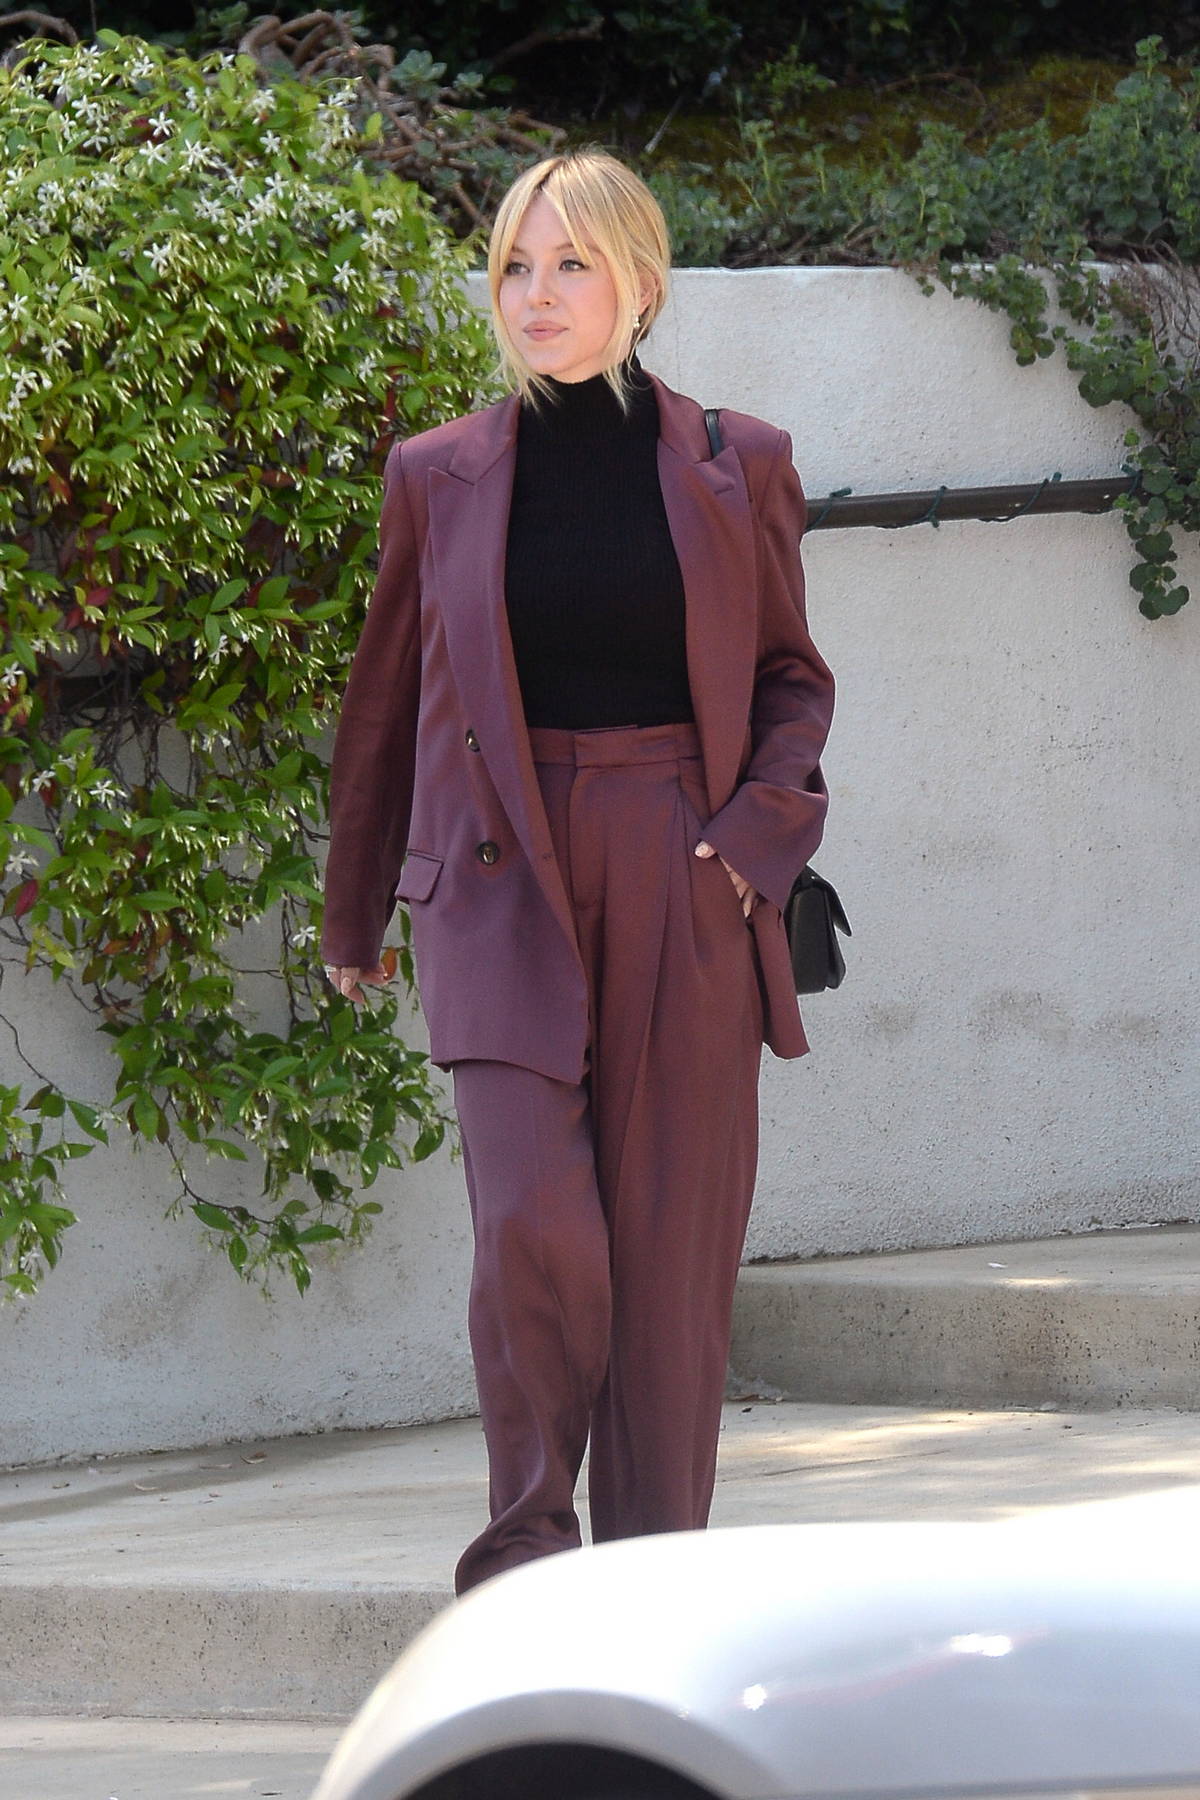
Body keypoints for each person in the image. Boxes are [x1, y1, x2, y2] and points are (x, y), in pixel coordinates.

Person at [320, 148, 835, 1596]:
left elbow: (795, 681)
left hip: (682, 867)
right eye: (513, 269)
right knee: (533, 1237)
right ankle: (529, 1578)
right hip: (499, 880)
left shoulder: (742, 462)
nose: (535, 297)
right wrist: (357, 907)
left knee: (670, 1268)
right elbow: (385, 705)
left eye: (570, 266)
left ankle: (655, 1593)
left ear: (641, 283)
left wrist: (748, 844)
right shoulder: (439, 475)